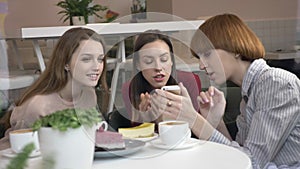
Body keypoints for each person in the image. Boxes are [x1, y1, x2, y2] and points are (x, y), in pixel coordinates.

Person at [151, 14, 300, 168]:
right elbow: (239, 156)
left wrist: (194, 119)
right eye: (199, 58)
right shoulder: (251, 91)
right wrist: (216, 122)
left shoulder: (276, 83)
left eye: (207, 54)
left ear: (235, 48)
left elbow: (251, 163)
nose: (202, 65)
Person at [0, 27, 109, 150]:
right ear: (65, 63)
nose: (97, 66)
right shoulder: (38, 106)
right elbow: (20, 152)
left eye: (100, 59)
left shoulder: (89, 95)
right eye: (86, 59)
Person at [122, 29, 202, 126]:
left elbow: (198, 132)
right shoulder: (129, 88)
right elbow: (135, 136)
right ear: (138, 65)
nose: (158, 67)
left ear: (172, 61)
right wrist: (143, 121)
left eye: (164, 59)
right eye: (148, 61)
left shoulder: (189, 81)